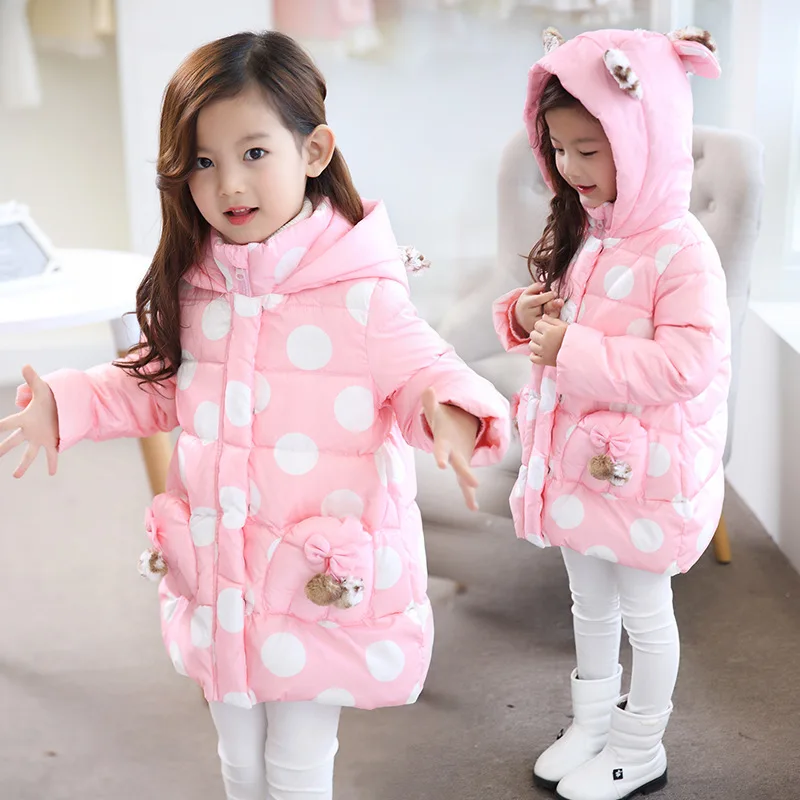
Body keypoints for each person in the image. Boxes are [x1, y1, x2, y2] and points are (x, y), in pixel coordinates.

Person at [0, 30, 510, 800]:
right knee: (239, 757)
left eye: (254, 153)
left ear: (314, 151)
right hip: (222, 575)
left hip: (310, 579)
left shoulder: (361, 291)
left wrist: (451, 415)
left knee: (298, 762)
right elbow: (154, 383)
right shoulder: (199, 282)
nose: (228, 183)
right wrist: (66, 403)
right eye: (203, 162)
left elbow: (423, 372)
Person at [493, 26, 729, 800]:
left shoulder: (682, 250)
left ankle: (640, 745)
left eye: (588, 150)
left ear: (642, 138)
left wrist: (573, 348)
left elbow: (685, 367)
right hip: (579, 465)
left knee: (644, 615)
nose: (569, 168)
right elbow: (560, 329)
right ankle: (593, 724)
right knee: (588, 604)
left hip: (643, 475)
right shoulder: (588, 232)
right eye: (559, 149)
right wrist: (525, 316)